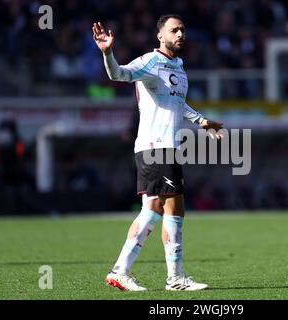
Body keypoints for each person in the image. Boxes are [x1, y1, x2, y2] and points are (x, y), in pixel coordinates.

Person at [92, 15, 224, 291]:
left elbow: (177, 103)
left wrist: (201, 121)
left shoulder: (178, 66)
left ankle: (137, 273)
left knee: (163, 210)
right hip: (156, 146)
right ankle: (159, 276)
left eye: (183, 30)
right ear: (160, 36)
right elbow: (119, 74)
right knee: (165, 208)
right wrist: (108, 53)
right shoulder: (151, 61)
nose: (180, 34)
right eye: (174, 30)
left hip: (166, 147)